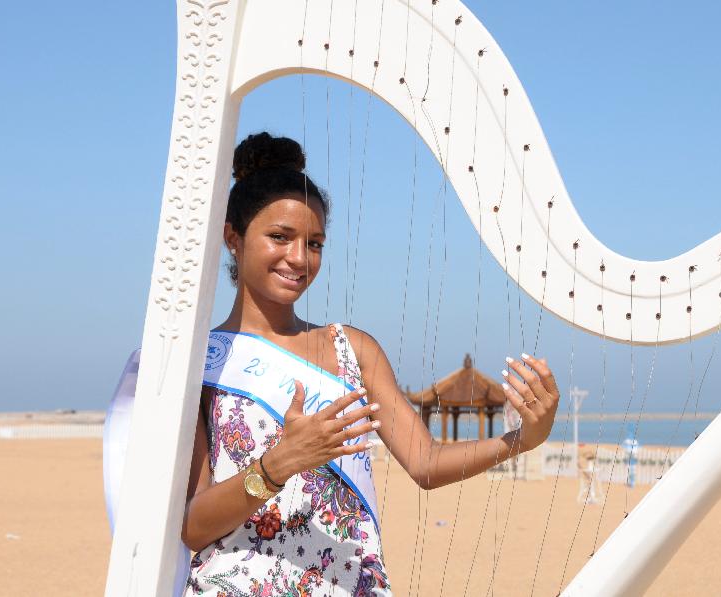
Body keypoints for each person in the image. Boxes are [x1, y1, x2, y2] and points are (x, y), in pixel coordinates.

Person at [180, 132, 560, 596]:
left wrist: (523, 439)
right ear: (232, 237)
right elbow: (194, 525)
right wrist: (279, 464)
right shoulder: (199, 363)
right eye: (280, 237)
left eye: (314, 243)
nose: (299, 258)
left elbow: (426, 463)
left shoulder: (352, 349)